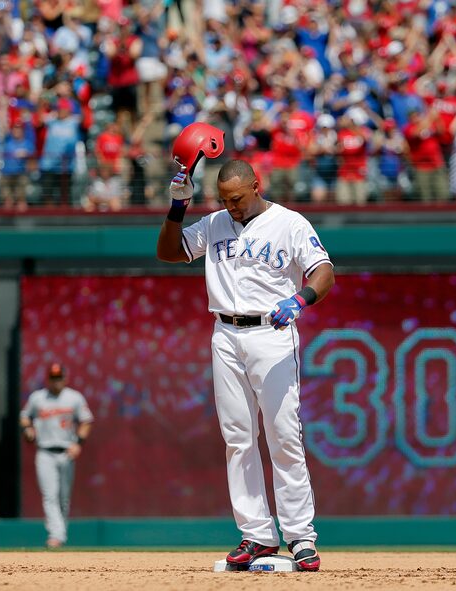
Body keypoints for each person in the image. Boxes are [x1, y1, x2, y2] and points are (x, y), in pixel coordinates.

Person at [156, 143, 333, 572]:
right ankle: (256, 534)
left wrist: (301, 299)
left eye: (237, 198)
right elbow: (168, 251)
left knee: (283, 436)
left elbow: (324, 271)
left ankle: (300, 537)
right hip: (226, 333)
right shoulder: (215, 223)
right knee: (238, 439)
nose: (231, 206)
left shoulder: (289, 222)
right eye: (224, 199)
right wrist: (178, 207)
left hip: (271, 334)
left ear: (257, 186)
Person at [19, 363, 94, 548]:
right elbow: (24, 416)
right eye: (53, 378)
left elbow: (86, 421)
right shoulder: (38, 397)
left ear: (65, 378)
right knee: (49, 495)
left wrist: (78, 443)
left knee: (63, 497)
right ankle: (56, 535)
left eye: (59, 377)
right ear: (48, 379)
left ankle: (60, 534)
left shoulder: (74, 398)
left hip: (66, 451)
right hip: (45, 451)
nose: (56, 381)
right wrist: (27, 429)